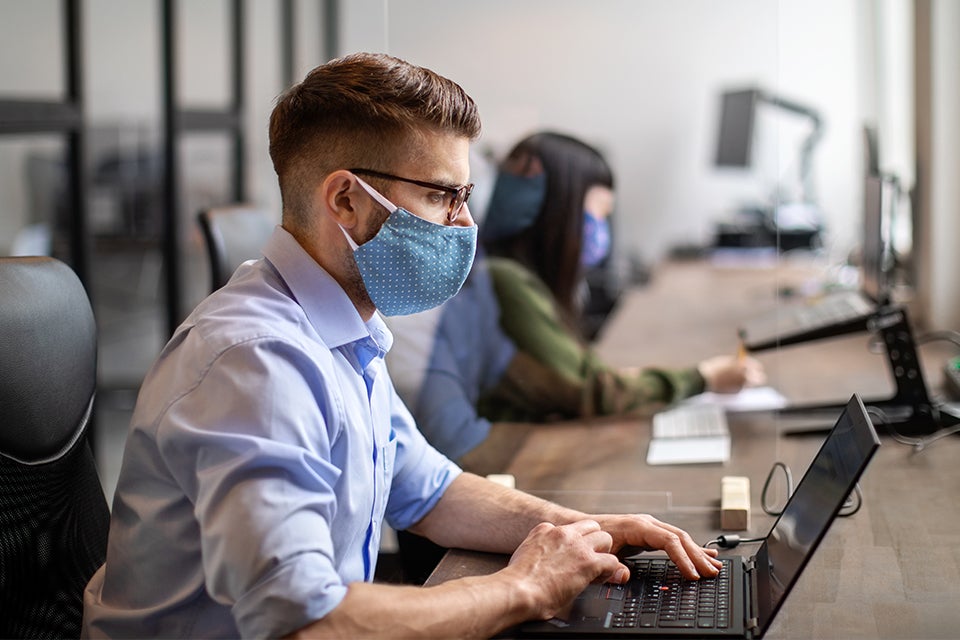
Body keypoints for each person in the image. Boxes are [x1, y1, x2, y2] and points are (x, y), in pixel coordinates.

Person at [81, 53, 721, 639]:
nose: (465, 224)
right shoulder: (255, 363)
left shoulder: (344, 331)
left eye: (464, 196)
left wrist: (587, 530)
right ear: (346, 201)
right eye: (443, 196)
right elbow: (303, 623)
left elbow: (430, 490)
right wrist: (523, 587)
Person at [386, 131, 765, 472]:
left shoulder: (503, 270)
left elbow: (578, 378)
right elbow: (591, 390)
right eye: (597, 214)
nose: (601, 230)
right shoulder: (505, 280)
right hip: (484, 477)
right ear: (559, 212)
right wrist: (705, 377)